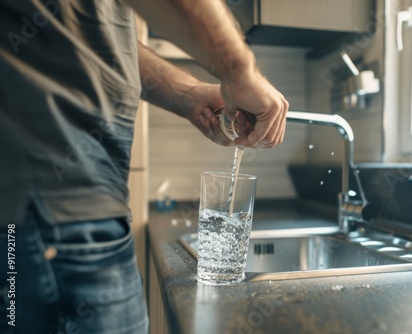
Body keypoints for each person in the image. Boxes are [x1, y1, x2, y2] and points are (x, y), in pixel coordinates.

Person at [0, 0, 289, 333]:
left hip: (53, 211)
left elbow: (103, 37)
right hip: (52, 211)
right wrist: (241, 74)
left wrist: (190, 93)